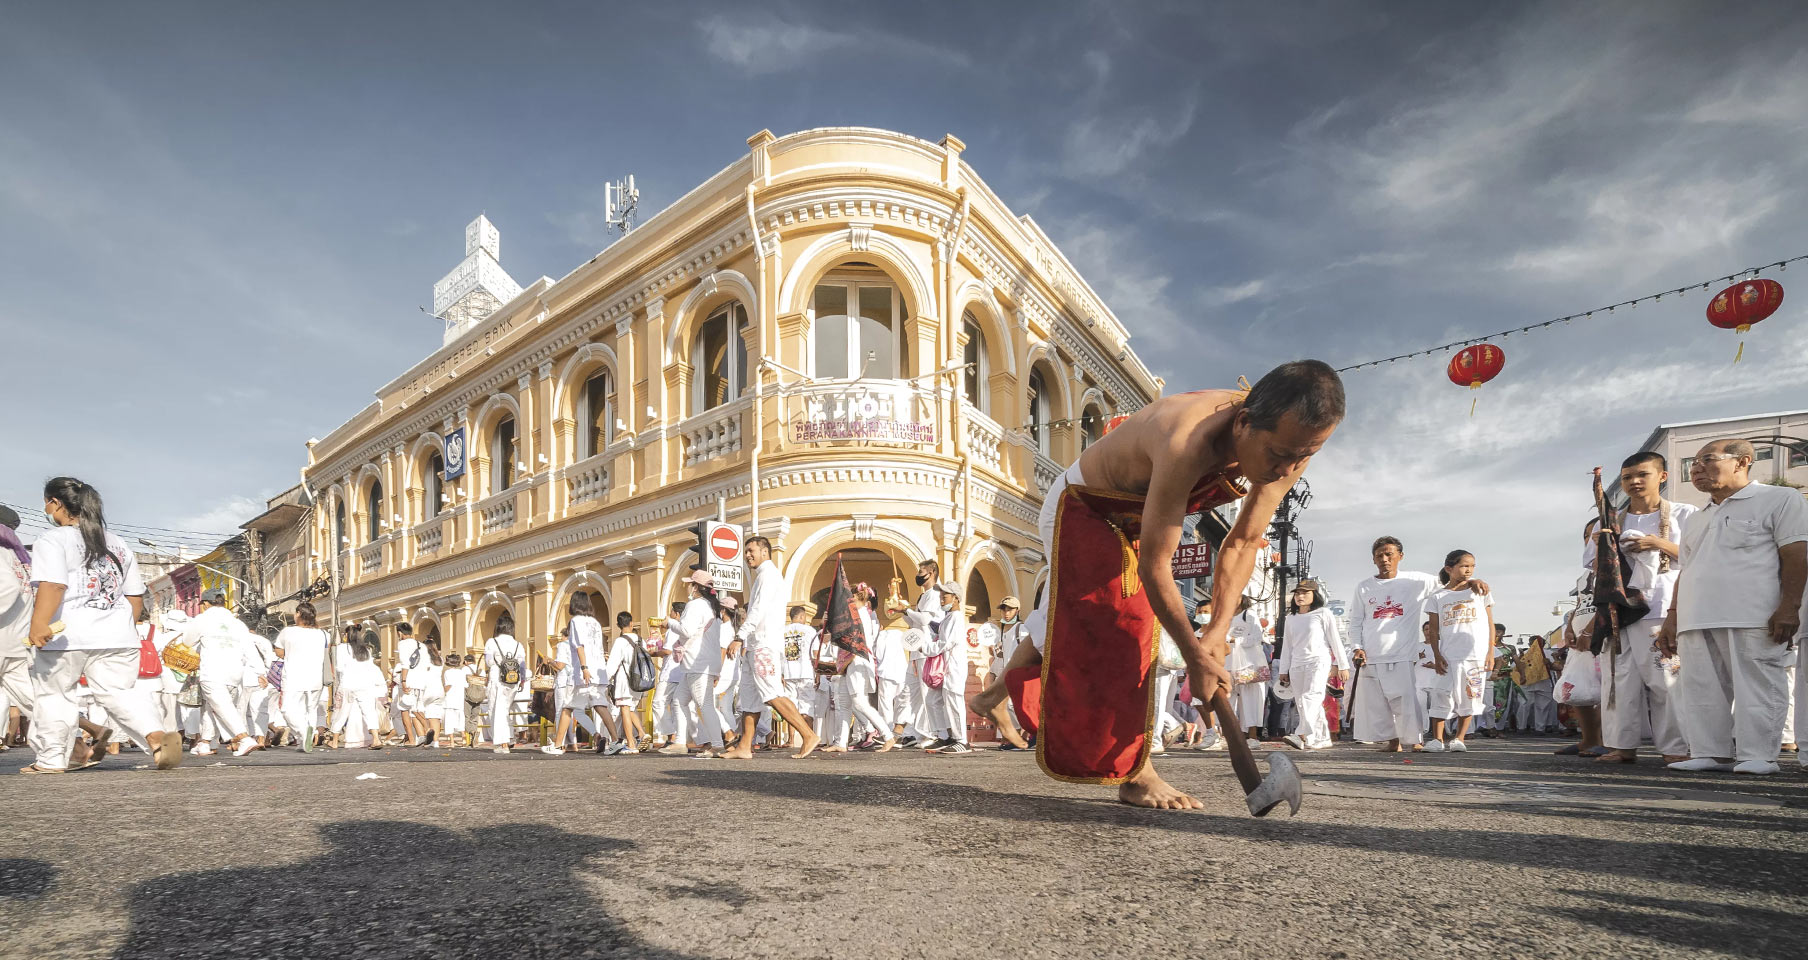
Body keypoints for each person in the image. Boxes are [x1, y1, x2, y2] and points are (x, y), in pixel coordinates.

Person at [972, 361, 1344, 808]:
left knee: (1060, 616)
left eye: (1306, 455)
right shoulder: (1187, 436)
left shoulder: (1289, 452)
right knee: (1124, 624)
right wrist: (1194, 657)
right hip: (1087, 506)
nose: (1289, 467)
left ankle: (994, 695)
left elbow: (1244, 541)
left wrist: (1217, 634)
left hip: (1139, 515)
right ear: (1244, 423)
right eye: (1279, 453)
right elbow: (1156, 564)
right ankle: (1136, 773)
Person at [1660, 439, 1807, 775]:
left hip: (1753, 613)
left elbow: (1796, 555)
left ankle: (1759, 755)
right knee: (1699, 688)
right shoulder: (1698, 517)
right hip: (1696, 617)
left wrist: (1789, 607)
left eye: (1707, 460)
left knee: (1758, 683)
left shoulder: (1779, 498)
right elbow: (1687, 570)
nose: (1696, 468)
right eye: (1693, 463)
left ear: (1742, 462)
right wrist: (1672, 617)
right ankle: (1710, 751)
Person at [20, 478, 182, 773]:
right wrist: (122, 627)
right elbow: (135, 596)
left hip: (67, 634)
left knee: (55, 695)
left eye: (47, 502)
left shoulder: (52, 539)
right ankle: (156, 737)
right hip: (117, 633)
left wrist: (39, 623)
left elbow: (54, 585)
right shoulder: (117, 542)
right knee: (121, 693)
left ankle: (52, 760)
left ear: (56, 503)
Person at [1596, 452, 1697, 765]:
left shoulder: (1684, 513)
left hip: (1661, 608)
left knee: (1665, 680)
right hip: (1619, 610)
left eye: (1643, 475)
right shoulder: (1613, 520)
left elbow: (1700, 554)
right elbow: (1593, 564)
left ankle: (1675, 747)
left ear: (1662, 477)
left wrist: (1657, 544)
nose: (1634, 482)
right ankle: (1620, 746)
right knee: (1619, 680)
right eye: (1627, 478)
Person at [719, 537, 821, 760]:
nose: (747, 555)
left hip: (765, 645)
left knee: (772, 693)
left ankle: (808, 734)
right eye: (746, 551)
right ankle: (745, 746)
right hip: (756, 646)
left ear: (765, 551)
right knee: (749, 698)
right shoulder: (761, 577)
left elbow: (758, 611)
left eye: (751, 550)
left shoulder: (769, 576)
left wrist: (739, 636)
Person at [1348, 537, 1442, 752]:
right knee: (1377, 704)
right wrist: (1357, 647)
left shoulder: (1416, 581)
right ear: (1373, 559)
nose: (1384, 559)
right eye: (1379, 555)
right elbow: (1356, 621)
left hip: (1401, 653)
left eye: (1389, 554)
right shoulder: (1363, 587)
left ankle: (1414, 740)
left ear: (1400, 556)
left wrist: (1472, 581)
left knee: (1405, 700)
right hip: (1371, 654)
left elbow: (1448, 581)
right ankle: (1393, 742)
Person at [1424, 550, 1496, 752]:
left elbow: (1490, 624)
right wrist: (1436, 655)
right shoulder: (1437, 596)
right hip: (1448, 655)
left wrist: (1490, 653)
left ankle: (1459, 738)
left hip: (1474, 655)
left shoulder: (1480, 591)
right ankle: (1437, 740)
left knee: (1470, 695)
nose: (1469, 570)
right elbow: (1434, 630)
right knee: (1441, 693)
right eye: (1464, 566)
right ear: (1449, 568)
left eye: (1472, 566)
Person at [186, 587, 260, 758]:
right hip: (235, 672)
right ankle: (205, 743)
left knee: (222, 707)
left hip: (213, 670)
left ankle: (244, 738)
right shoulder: (237, 623)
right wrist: (259, 671)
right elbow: (249, 649)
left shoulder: (202, 619)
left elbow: (187, 641)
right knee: (213, 706)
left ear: (205, 604)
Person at [1277, 580, 1350, 750]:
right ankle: (1321, 738)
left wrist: (1342, 665)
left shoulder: (1323, 613)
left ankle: (1301, 734)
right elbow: (1287, 646)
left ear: (1314, 595)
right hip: (1296, 664)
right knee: (1303, 703)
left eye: (1305, 593)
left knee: (1312, 696)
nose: (1300, 596)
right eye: (1297, 593)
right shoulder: (1290, 618)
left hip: (1318, 661)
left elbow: (1335, 640)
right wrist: (1283, 669)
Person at [669, 570, 727, 757]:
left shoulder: (695, 605)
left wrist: (668, 623)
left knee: (705, 704)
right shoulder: (713, 608)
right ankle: (680, 741)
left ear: (695, 587)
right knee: (679, 700)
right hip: (705, 662)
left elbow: (686, 630)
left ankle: (717, 744)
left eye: (689, 584)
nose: (687, 587)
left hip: (697, 662)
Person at [920, 581, 972, 754]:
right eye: (941, 596)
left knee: (954, 703)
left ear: (956, 598)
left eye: (945, 596)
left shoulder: (956, 618)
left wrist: (925, 648)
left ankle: (962, 740)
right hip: (944, 668)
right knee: (932, 700)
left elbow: (946, 643)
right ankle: (943, 735)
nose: (942, 600)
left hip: (953, 668)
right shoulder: (948, 618)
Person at [274, 602, 330, 750]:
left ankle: (304, 732)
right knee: (310, 710)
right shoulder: (324, 634)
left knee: (287, 709)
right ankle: (304, 741)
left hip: (294, 677)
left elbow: (279, 652)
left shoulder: (288, 632)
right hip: (316, 678)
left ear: (299, 614)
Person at [1224, 598, 1269, 751]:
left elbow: (1256, 637)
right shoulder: (1224, 615)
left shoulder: (1248, 614)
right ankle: (1231, 735)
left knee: (1251, 700)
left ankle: (1253, 736)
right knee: (1227, 700)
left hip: (1248, 664)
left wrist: (1235, 640)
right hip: (1228, 663)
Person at [482, 615, 527, 754]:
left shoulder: (492, 642)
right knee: (506, 709)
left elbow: (489, 661)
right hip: (513, 680)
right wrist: (523, 680)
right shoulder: (518, 644)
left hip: (497, 678)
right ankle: (509, 737)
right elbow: (522, 665)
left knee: (496, 710)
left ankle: (503, 744)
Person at [780, 602, 819, 747]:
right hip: (806, 671)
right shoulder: (810, 631)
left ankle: (790, 740)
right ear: (802, 616)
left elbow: (779, 653)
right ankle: (808, 738)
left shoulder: (782, 631)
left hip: (788, 672)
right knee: (807, 705)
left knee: (791, 706)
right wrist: (818, 672)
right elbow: (815, 654)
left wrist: (781, 673)